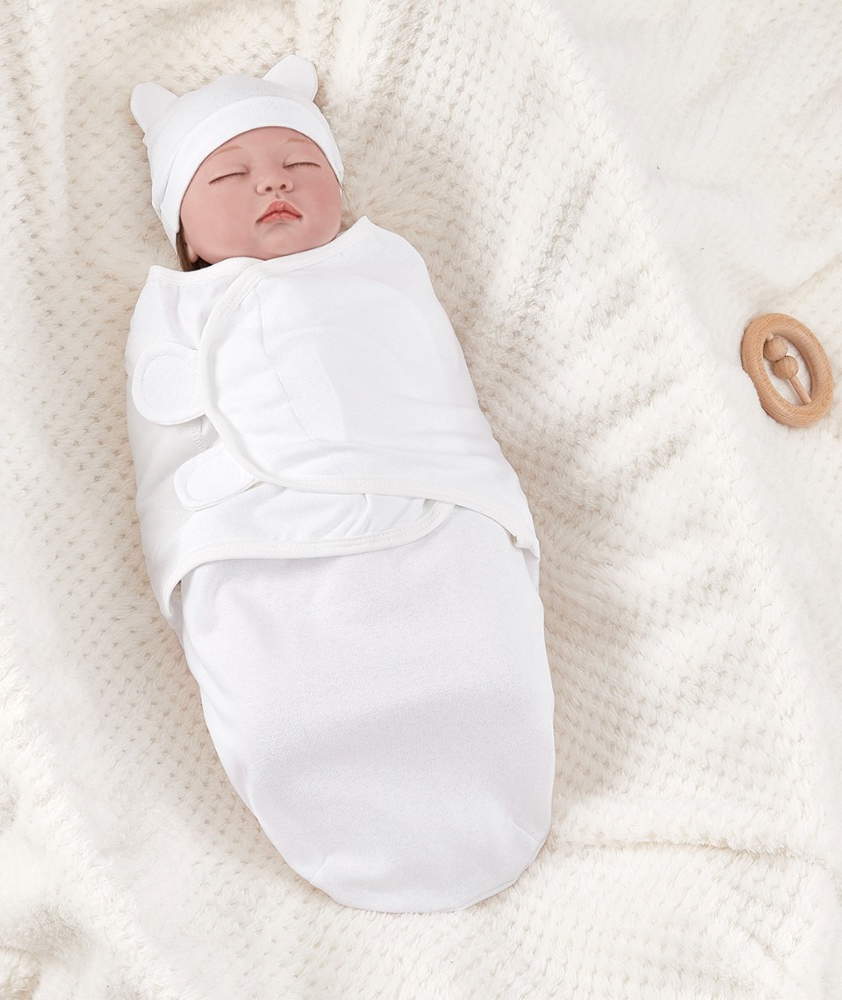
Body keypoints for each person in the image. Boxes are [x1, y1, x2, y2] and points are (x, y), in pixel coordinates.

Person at [126, 55, 554, 913]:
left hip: (429, 505)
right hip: (256, 545)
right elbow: (161, 456)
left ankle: (487, 728)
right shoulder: (173, 311)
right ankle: (308, 757)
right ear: (184, 229)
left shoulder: (383, 268)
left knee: (481, 662)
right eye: (229, 174)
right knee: (285, 713)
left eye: (299, 162)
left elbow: (431, 381)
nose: (271, 182)